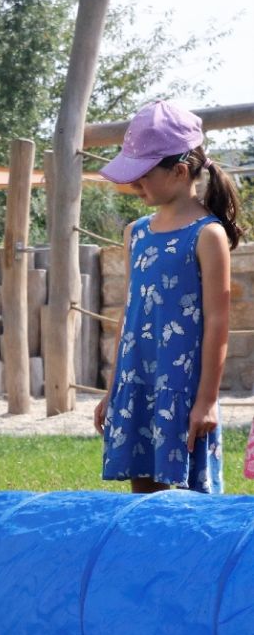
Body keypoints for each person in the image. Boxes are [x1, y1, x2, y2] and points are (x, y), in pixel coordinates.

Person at [93, 101, 243, 494]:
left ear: (178, 171)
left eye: (141, 175)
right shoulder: (136, 233)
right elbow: (129, 314)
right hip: (137, 381)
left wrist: (207, 400)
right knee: (143, 500)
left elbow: (218, 322)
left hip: (182, 388)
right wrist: (113, 392)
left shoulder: (207, 236)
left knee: (187, 504)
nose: (133, 184)